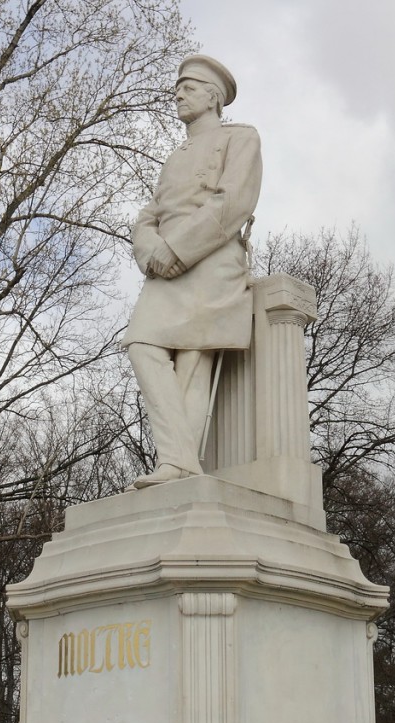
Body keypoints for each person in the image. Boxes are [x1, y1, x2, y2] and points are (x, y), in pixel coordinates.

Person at [122, 54, 262, 488]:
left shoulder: (241, 138)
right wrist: (152, 252)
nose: (178, 94)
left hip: (209, 263)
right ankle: (181, 462)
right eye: (178, 88)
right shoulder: (174, 156)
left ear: (213, 96)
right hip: (165, 269)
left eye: (189, 87)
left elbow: (234, 202)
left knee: (193, 360)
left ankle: (175, 465)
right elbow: (149, 215)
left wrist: (179, 250)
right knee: (141, 344)